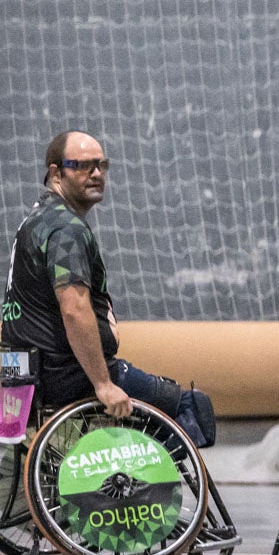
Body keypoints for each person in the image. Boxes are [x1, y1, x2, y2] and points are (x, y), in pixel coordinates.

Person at [1, 131, 216, 447]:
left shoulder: (36, 220)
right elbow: (74, 307)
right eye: (83, 166)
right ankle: (131, 486)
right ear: (55, 172)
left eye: (101, 165)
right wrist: (102, 384)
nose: (97, 173)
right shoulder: (66, 230)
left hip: (29, 374)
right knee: (192, 407)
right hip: (69, 376)